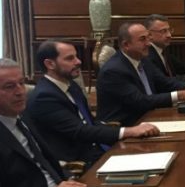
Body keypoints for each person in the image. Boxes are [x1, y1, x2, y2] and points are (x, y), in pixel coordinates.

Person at [26, 40, 160, 166]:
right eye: (69, 58)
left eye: (76, 56)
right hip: (80, 162)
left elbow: (89, 122)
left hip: (97, 149)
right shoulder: (44, 97)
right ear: (50, 64)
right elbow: (80, 131)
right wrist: (128, 131)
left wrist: (126, 132)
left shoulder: (70, 85)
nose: (78, 61)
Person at [0, 59, 87, 187]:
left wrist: (68, 182)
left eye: (21, 83)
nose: (20, 91)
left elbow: (43, 161)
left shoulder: (21, 114)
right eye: (9, 86)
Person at [96, 22, 185, 126]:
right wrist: (181, 95)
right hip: (127, 126)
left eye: (148, 38)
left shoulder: (142, 58)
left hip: (151, 116)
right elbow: (140, 101)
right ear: (126, 45)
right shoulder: (114, 71)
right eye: (142, 39)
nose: (149, 43)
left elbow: (164, 82)